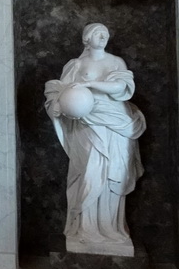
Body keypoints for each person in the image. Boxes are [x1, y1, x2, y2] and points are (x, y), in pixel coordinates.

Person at [44, 23, 146, 253]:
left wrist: (90, 84)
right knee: (90, 170)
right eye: (99, 34)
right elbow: (60, 92)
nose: (104, 37)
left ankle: (111, 228)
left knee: (115, 172)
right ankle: (85, 228)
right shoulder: (76, 65)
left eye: (106, 34)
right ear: (87, 38)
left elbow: (122, 86)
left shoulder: (116, 62)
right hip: (87, 123)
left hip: (116, 122)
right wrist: (56, 106)